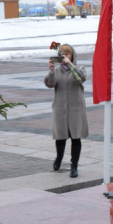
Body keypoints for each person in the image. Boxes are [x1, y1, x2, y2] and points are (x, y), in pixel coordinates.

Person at [44, 43, 89, 178]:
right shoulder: (57, 70)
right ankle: (59, 158)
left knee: (75, 137)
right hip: (60, 109)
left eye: (67, 54)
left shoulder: (79, 68)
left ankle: (74, 165)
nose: (64, 56)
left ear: (72, 56)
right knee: (61, 137)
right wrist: (51, 71)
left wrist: (71, 65)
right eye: (62, 54)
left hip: (75, 109)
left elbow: (80, 78)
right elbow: (49, 84)